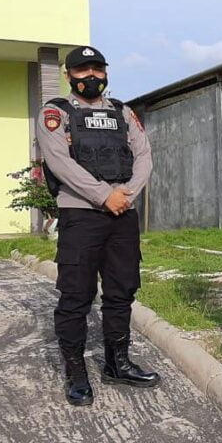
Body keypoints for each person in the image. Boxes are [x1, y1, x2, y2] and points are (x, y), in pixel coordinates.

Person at [36, 45, 160, 406]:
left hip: (122, 214)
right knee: (76, 295)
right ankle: (76, 373)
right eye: (82, 70)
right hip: (81, 215)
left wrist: (128, 193)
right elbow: (60, 163)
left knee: (122, 291)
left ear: (105, 72)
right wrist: (105, 195)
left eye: (97, 69)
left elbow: (144, 156)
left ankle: (117, 363)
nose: (90, 76)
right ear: (68, 75)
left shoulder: (122, 112)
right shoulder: (55, 113)